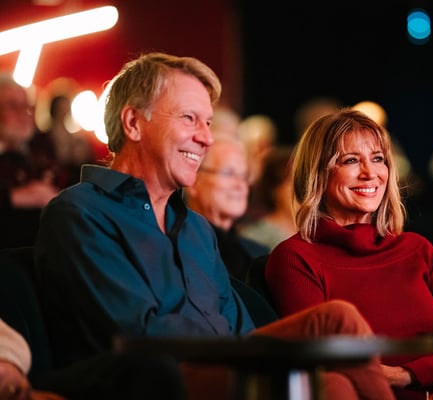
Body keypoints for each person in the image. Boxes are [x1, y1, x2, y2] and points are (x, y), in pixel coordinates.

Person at [33, 52, 395, 400]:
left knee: (337, 342)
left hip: (227, 364)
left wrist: (252, 353)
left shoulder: (196, 229)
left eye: (208, 122)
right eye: (189, 118)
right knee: (333, 361)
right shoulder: (81, 212)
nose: (206, 137)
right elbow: (135, 336)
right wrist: (242, 352)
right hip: (158, 380)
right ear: (133, 123)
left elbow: (242, 328)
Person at [265, 108, 433, 400]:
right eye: (351, 160)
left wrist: (405, 375)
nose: (370, 173)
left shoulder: (417, 249)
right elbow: (329, 369)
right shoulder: (295, 257)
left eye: (378, 159)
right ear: (318, 173)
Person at [184, 134, 269, 281]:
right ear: (194, 181)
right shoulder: (177, 248)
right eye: (228, 173)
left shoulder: (259, 254)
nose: (240, 185)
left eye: (244, 176)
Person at [0, 74, 60, 249]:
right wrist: (16, 197)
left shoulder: (41, 147)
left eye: (26, 106)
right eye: (12, 106)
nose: (23, 114)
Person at [239, 145, 297, 250]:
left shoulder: (316, 233)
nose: (301, 190)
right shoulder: (255, 237)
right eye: (291, 182)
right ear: (274, 189)